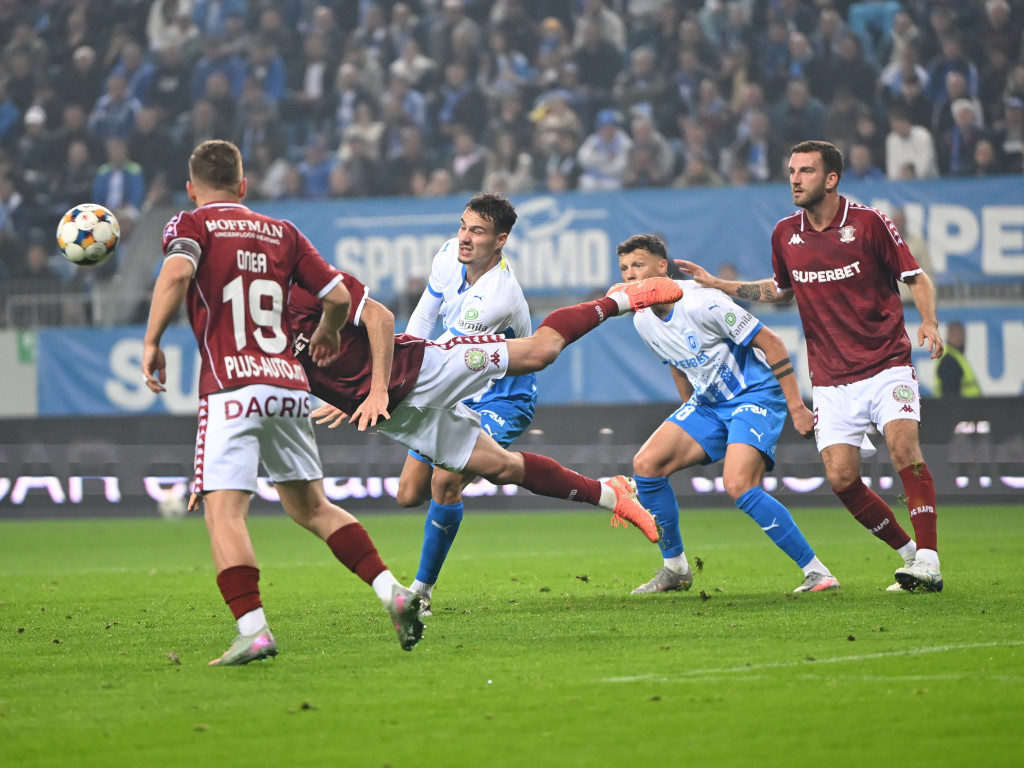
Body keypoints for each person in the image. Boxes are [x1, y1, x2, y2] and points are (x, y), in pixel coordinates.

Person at [141, 139, 425, 666]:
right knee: (312, 507)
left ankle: (254, 631)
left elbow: (178, 274)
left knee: (225, 515)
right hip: (289, 386)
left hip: (231, 388)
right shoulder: (283, 232)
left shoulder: (191, 225)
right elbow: (338, 298)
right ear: (244, 187)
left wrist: (152, 340)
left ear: (191, 188)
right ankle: (393, 592)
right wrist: (327, 333)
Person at [290, 268, 686, 581]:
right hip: (401, 416)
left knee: (540, 352)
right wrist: (350, 394)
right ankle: (609, 493)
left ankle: (621, 298)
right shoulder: (251, 331)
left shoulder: (301, 286)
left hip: (423, 369)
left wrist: (374, 388)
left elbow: (379, 316)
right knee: (500, 467)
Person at [678, 140, 946, 593]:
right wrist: (718, 284)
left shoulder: (868, 223)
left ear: (831, 178)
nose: (795, 179)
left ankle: (930, 559)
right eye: (791, 171)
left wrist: (930, 322)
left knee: (904, 449)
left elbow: (915, 277)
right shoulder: (785, 233)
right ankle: (908, 557)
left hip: (886, 364)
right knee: (842, 479)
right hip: (831, 379)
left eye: (805, 171)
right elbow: (782, 290)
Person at [614, 235, 839, 595]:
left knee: (738, 485)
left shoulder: (703, 302)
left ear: (661, 266)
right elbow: (676, 363)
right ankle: (676, 569)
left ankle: (817, 572)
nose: (630, 275)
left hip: (755, 396)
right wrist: (687, 407)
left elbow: (772, 343)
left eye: (638, 265)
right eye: (624, 269)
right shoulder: (642, 320)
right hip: (709, 404)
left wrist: (796, 405)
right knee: (646, 465)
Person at [399, 193, 537, 616]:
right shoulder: (447, 255)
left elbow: (445, 352)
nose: (464, 237)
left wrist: (390, 384)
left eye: (477, 232)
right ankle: (492, 467)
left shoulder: (497, 295)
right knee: (408, 495)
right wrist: (398, 365)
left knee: (445, 480)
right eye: (463, 226)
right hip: (455, 385)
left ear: (500, 241)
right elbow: (423, 321)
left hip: (502, 395)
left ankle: (420, 593)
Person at [934, 320, 980, 398]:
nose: (959, 338)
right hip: (962, 408)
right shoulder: (949, 360)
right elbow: (951, 395)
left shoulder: (957, 357)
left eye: (960, 334)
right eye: (955, 334)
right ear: (948, 335)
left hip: (967, 408)